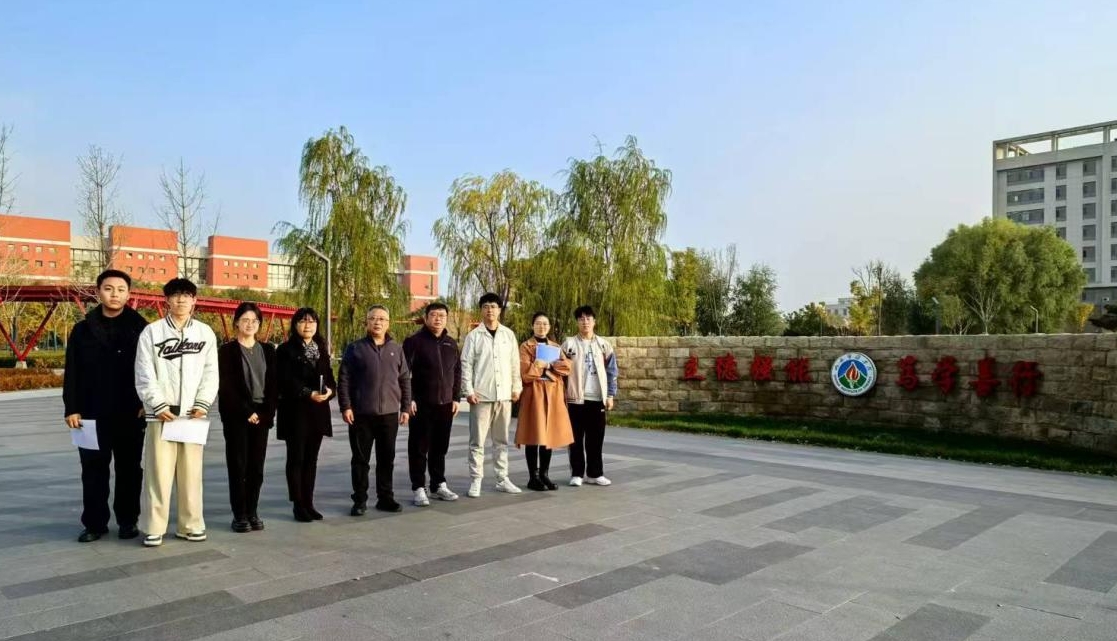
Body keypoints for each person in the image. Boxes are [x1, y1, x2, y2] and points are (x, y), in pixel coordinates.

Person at [64, 269, 149, 543]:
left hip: (130, 412)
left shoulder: (142, 328)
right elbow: (72, 370)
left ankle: (128, 521)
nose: (115, 294)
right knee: (92, 470)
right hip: (90, 413)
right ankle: (94, 523)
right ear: (98, 291)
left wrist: (145, 403)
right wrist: (71, 408)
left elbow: (150, 370)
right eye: (109, 288)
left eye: (121, 290)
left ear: (128, 294)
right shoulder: (82, 329)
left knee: (129, 469)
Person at [135, 278, 219, 546]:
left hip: (192, 417)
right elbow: (144, 372)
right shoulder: (152, 332)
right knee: (157, 474)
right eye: (175, 295)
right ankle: (154, 527)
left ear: (195, 300)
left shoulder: (205, 333)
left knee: (191, 475)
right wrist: (157, 404)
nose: (181, 300)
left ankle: (190, 525)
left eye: (186, 295)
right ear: (167, 300)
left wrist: (203, 402)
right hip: (162, 415)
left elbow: (211, 372)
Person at [338, 305, 411, 515]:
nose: (377, 322)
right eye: (373, 318)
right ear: (367, 322)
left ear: (388, 323)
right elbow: (344, 379)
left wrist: (405, 407)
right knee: (360, 460)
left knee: (386, 459)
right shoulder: (355, 348)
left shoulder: (396, 349)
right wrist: (346, 406)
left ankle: (385, 498)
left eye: (382, 319)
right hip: (361, 414)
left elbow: (405, 379)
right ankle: (359, 500)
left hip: (389, 414)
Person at [217, 302, 277, 533]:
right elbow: (227, 387)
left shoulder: (268, 350)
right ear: (236, 323)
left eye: (254, 321)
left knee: (256, 468)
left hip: (262, 414)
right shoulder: (227, 351)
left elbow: (274, 386)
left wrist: (265, 413)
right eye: (245, 320)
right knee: (238, 466)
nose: (250, 324)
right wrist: (247, 412)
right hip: (237, 416)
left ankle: (252, 511)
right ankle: (239, 514)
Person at [460, 292, 523, 497]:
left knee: (501, 441)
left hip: (504, 395)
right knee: (477, 442)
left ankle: (502, 478)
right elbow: (466, 365)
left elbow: (515, 364)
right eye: (486, 306)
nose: (490, 310)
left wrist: (516, 387)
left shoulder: (508, 335)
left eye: (493, 306)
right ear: (481, 310)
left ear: (499, 310)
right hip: (481, 396)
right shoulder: (474, 336)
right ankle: (476, 479)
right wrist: (468, 391)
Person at [276, 307, 335, 523]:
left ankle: (309, 502)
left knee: (311, 459)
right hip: (296, 413)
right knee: (296, 458)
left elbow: (330, 378)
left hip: (317, 413)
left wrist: (329, 391)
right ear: (295, 325)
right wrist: (307, 393)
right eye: (302, 321)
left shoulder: (321, 349)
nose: (307, 325)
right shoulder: (285, 350)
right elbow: (284, 380)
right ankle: (298, 504)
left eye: (311, 321)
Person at [402, 302, 462, 506]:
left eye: (442, 316)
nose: (438, 319)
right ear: (426, 318)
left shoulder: (451, 343)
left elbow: (457, 372)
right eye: (434, 315)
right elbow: (404, 373)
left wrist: (456, 398)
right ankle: (418, 487)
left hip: (445, 404)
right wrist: (409, 398)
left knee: (440, 447)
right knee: (419, 447)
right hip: (421, 404)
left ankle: (438, 484)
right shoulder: (414, 342)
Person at [514, 312, 574, 491]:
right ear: (532, 326)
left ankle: (544, 474)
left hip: (553, 394)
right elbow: (526, 373)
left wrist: (547, 365)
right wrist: (541, 368)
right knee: (534, 434)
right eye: (538, 323)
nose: (542, 327)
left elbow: (567, 367)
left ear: (549, 327)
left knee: (548, 434)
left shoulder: (555, 347)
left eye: (545, 324)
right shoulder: (525, 346)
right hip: (534, 393)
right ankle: (533, 477)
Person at [561, 305, 619, 487]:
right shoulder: (569, 344)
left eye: (588, 318)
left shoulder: (603, 345)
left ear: (594, 321)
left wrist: (610, 395)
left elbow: (612, 371)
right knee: (575, 438)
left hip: (597, 398)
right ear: (577, 322)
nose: (585, 322)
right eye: (581, 319)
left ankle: (595, 473)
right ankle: (577, 473)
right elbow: (561, 372)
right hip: (575, 399)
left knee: (596, 439)